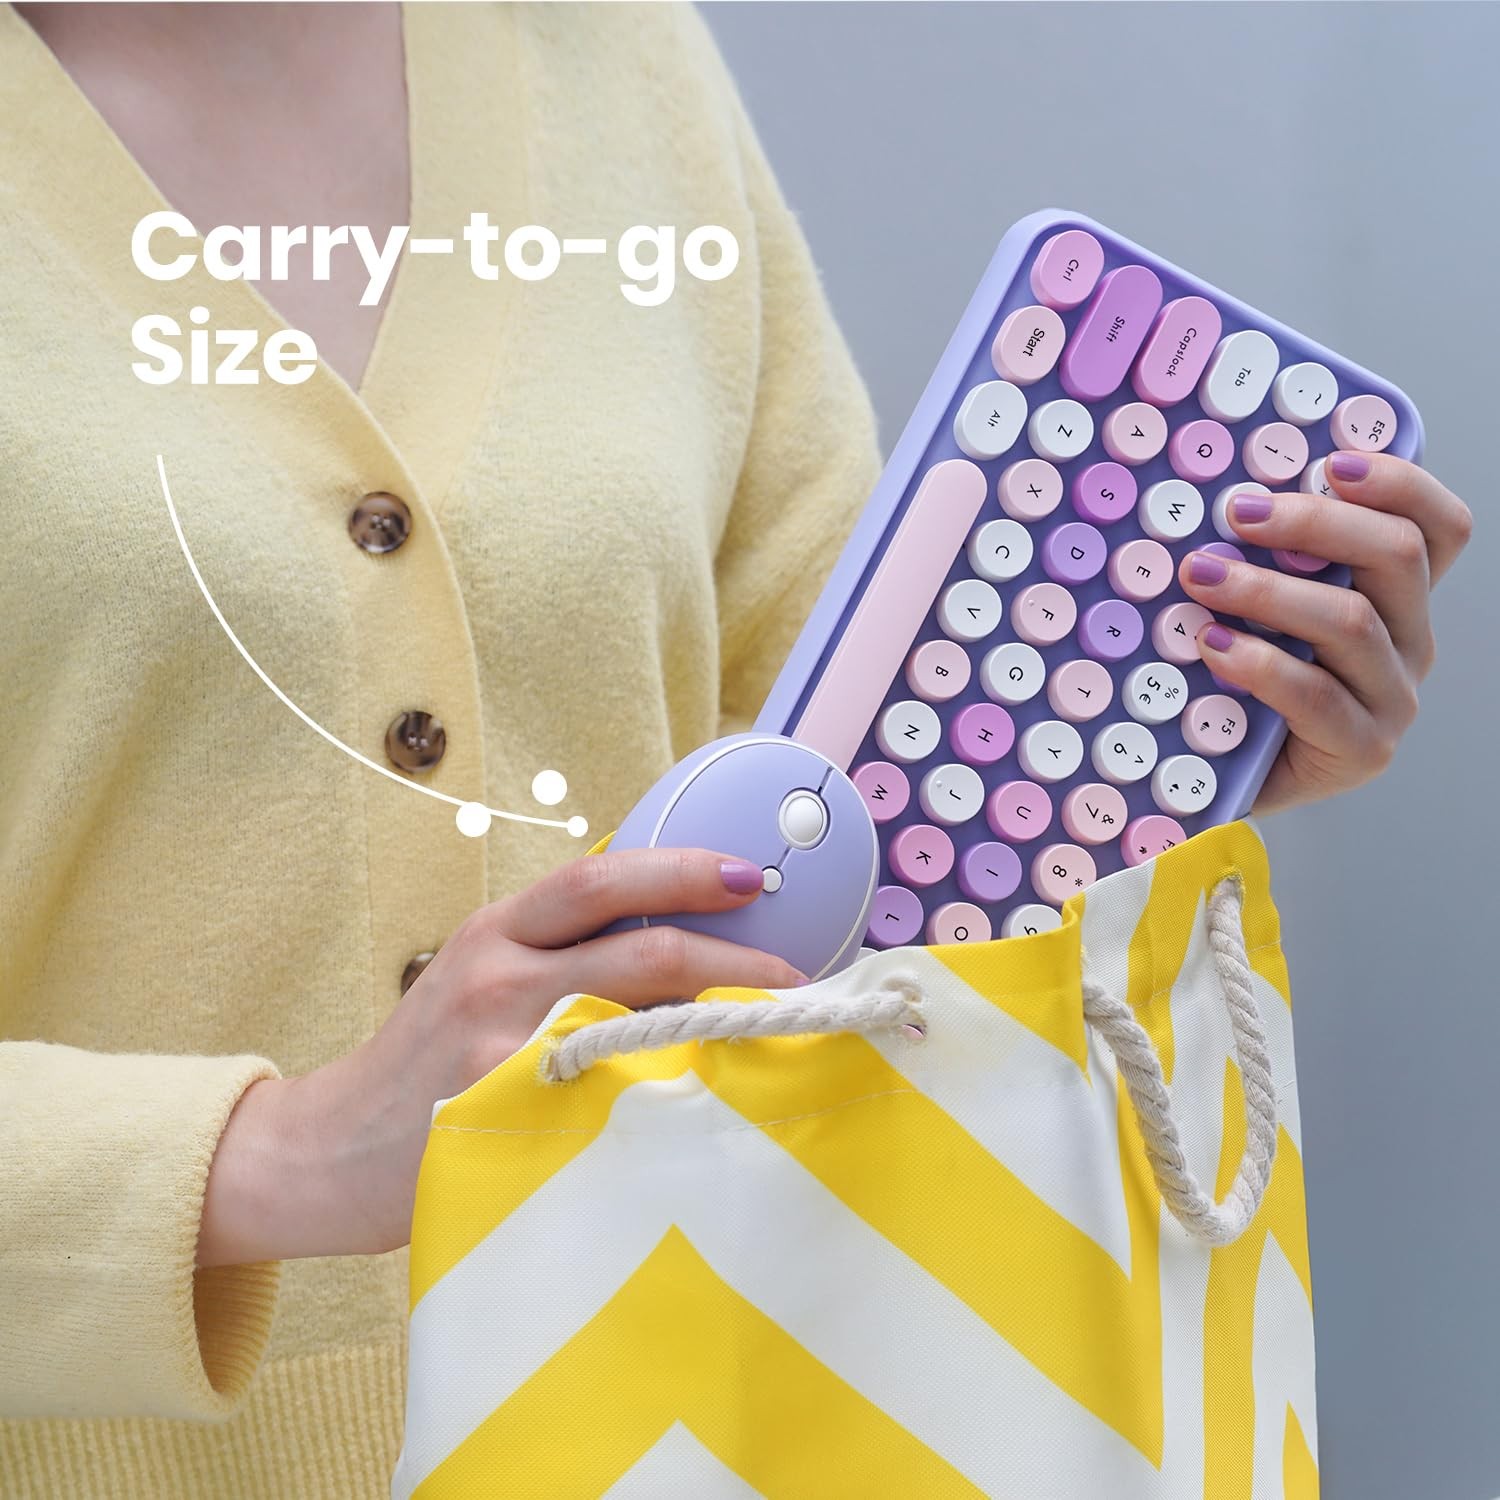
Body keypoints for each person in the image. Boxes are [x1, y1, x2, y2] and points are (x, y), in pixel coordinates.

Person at [0, 4, 1472, 1498]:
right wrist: (284, 1154)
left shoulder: (613, 55)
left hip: (703, 1421)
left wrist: (1138, 760)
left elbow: (839, 837)